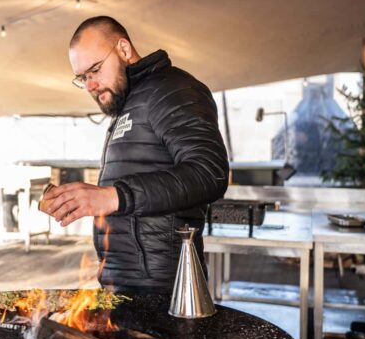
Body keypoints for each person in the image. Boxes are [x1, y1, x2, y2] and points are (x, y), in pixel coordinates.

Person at [44, 16, 228, 292]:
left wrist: (112, 196)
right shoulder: (130, 102)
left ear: (124, 49)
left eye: (95, 70)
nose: (91, 85)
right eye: (83, 78)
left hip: (166, 292)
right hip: (123, 288)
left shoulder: (172, 90)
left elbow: (209, 173)